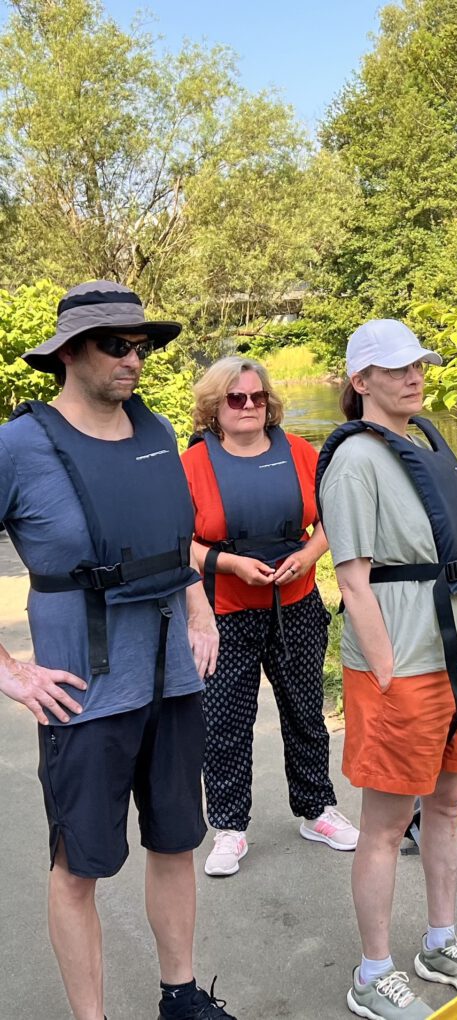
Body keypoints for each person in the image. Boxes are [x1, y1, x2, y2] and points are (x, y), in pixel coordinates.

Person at [0, 280, 237, 1020]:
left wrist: (200, 608)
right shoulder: (18, 446)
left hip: (171, 681)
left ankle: (181, 996)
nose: (134, 359)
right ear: (70, 352)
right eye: (116, 345)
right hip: (84, 695)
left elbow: (176, 542)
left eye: (142, 345)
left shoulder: (158, 431)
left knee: (174, 842)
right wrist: (7, 670)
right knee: (80, 868)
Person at [317, 319, 457, 1019]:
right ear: (361, 381)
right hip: (404, 668)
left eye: (419, 364)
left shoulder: (422, 440)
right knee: (387, 826)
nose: (413, 377)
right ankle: (372, 972)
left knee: (449, 804)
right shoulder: (356, 460)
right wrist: (386, 671)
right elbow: (353, 581)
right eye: (395, 370)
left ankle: (441, 941)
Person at [181, 356, 358, 877]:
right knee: (225, 723)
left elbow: (330, 520)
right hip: (226, 611)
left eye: (257, 397)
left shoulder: (300, 450)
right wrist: (230, 563)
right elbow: (177, 543)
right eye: (236, 399)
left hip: (296, 604)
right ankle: (230, 828)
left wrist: (310, 555)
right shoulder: (192, 465)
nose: (249, 407)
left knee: (306, 711)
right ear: (215, 408)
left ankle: (316, 808)